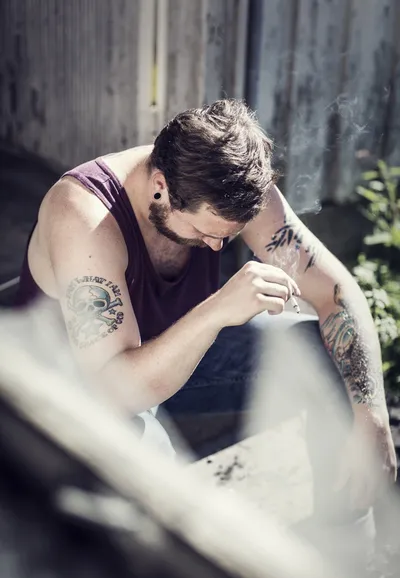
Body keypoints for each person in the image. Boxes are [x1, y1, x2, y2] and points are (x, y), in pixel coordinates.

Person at [16, 98, 396, 525]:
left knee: (324, 353)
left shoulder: (232, 190)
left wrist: (373, 417)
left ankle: (340, 548)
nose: (215, 247)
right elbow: (115, 392)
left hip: (175, 364)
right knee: (161, 484)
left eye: (227, 237)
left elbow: (336, 292)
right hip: (79, 395)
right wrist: (218, 309)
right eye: (202, 231)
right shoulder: (84, 216)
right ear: (159, 186)